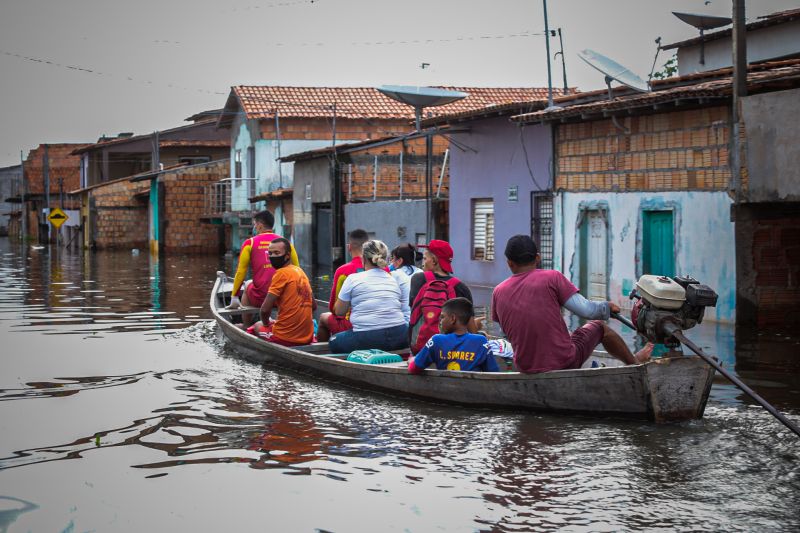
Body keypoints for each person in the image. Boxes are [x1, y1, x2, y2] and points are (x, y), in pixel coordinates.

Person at [491, 235, 652, 374]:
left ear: (510, 263)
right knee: (600, 327)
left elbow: (506, 332)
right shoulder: (552, 277)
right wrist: (606, 307)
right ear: (538, 258)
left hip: (524, 367)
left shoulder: (498, 291)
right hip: (563, 362)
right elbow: (587, 311)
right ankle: (635, 363)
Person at [328, 240, 408, 353]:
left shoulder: (352, 279)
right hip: (400, 336)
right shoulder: (392, 279)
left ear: (363, 259)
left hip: (368, 338)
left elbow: (339, 312)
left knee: (333, 341)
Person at [408, 239, 481, 353]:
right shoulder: (461, 287)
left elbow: (414, 313)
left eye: (425, 258)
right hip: (450, 352)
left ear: (434, 260)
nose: (422, 263)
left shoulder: (417, 279)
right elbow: (472, 330)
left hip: (420, 349)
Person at [228, 210, 299, 327]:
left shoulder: (249, 243)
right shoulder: (286, 243)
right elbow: (297, 269)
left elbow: (241, 272)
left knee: (247, 284)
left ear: (260, 225)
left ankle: (246, 326)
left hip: (261, 298)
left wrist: (234, 296)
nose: (254, 227)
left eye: (255, 224)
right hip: (284, 298)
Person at [408, 297, 500, 373]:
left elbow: (414, 368)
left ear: (453, 318)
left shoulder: (436, 340)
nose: (440, 321)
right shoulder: (481, 341)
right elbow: (494, 373)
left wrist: (412, 360)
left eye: (442, 317)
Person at [252, 238, 316, 347]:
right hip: (307, 337)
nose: (272, 256)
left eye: (277, 253)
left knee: (257, 326)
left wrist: (266, 324)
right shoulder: (300, 271)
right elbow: (313, 306)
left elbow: (264, 310)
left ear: (287, 255)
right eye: (270, 253)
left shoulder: (281, 273)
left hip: (285, 338)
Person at [317, 228, 369, 342]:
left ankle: (323, 351)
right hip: (380, 323)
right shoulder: (384, 269)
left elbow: (333, 308)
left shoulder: (343, 271)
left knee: (323, 317)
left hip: (352, 325)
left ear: (349, 247)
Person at [389, 243, 422, 322]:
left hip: (403, 320)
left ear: (400, 260)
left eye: (393, 258)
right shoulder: (421, 272)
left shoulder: (394, 274)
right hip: (419, 320)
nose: (391, 262)